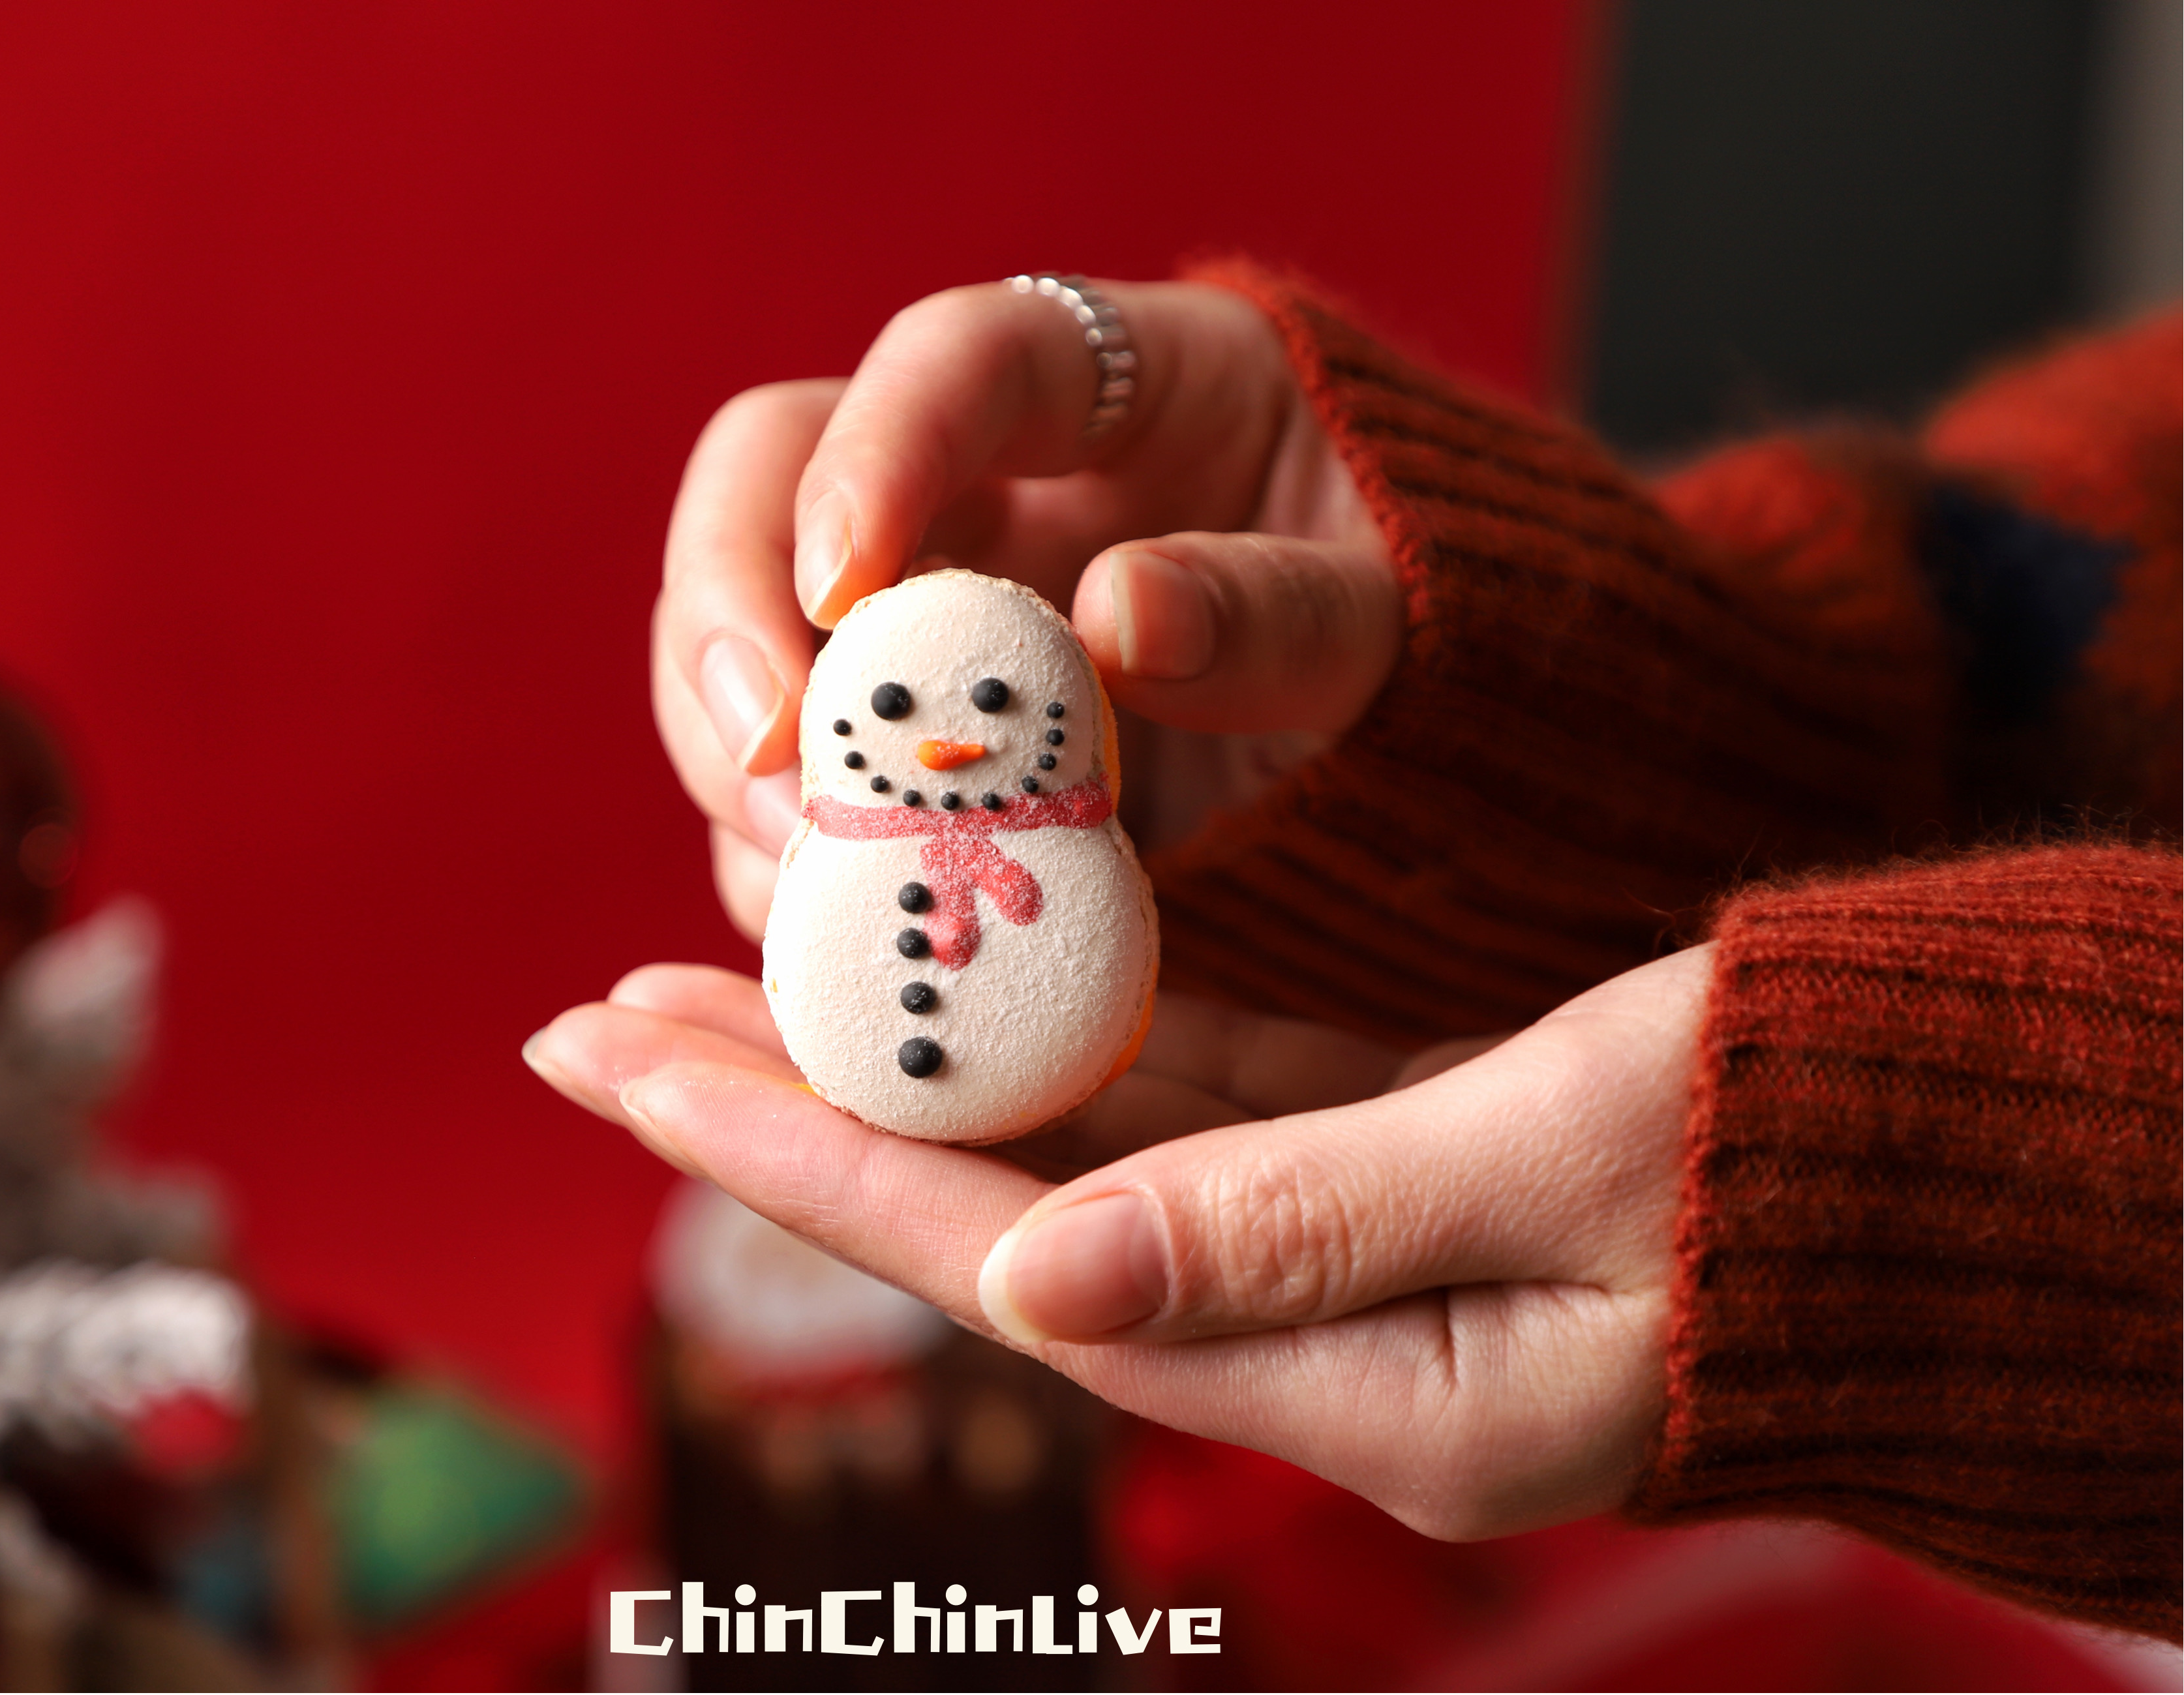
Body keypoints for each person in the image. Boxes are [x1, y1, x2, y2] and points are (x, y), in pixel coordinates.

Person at [525, 262, 2180, 1640]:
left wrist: (1983, 1179)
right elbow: (2087, 583)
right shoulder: (903, 828)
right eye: (893, 709)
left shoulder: (1063, 856)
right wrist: (1659, 670)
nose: (946, 743)